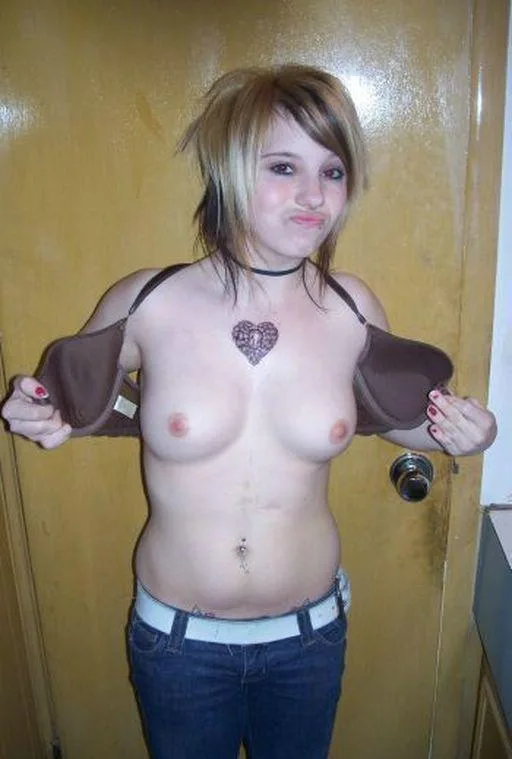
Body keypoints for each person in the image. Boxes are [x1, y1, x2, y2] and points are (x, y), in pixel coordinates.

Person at [1, 65, 497, 759]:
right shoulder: (149, 301)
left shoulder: (351, 309)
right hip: (179, 644)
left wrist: (463, 433)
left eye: (332, 171)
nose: (313, 195)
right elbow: (74, 402)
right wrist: (38, 413)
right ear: (231, 170)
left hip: (308, 639)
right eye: (283, 167)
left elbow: (390, 417)